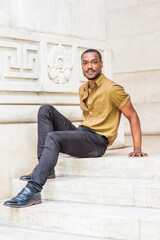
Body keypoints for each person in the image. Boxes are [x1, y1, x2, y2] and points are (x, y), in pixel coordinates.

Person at [4, 49, 148, 208]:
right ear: (81, 66)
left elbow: (132, 115)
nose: (90, 66)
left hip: (97, 141)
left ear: (101, 64)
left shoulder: (112, 89)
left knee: (54, 137)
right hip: (82, 133)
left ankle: (33, 189)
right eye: (85, 63)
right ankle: (45, 168)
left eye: (94, 62)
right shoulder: (83, 89)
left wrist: (137, 147)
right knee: (45, 110)